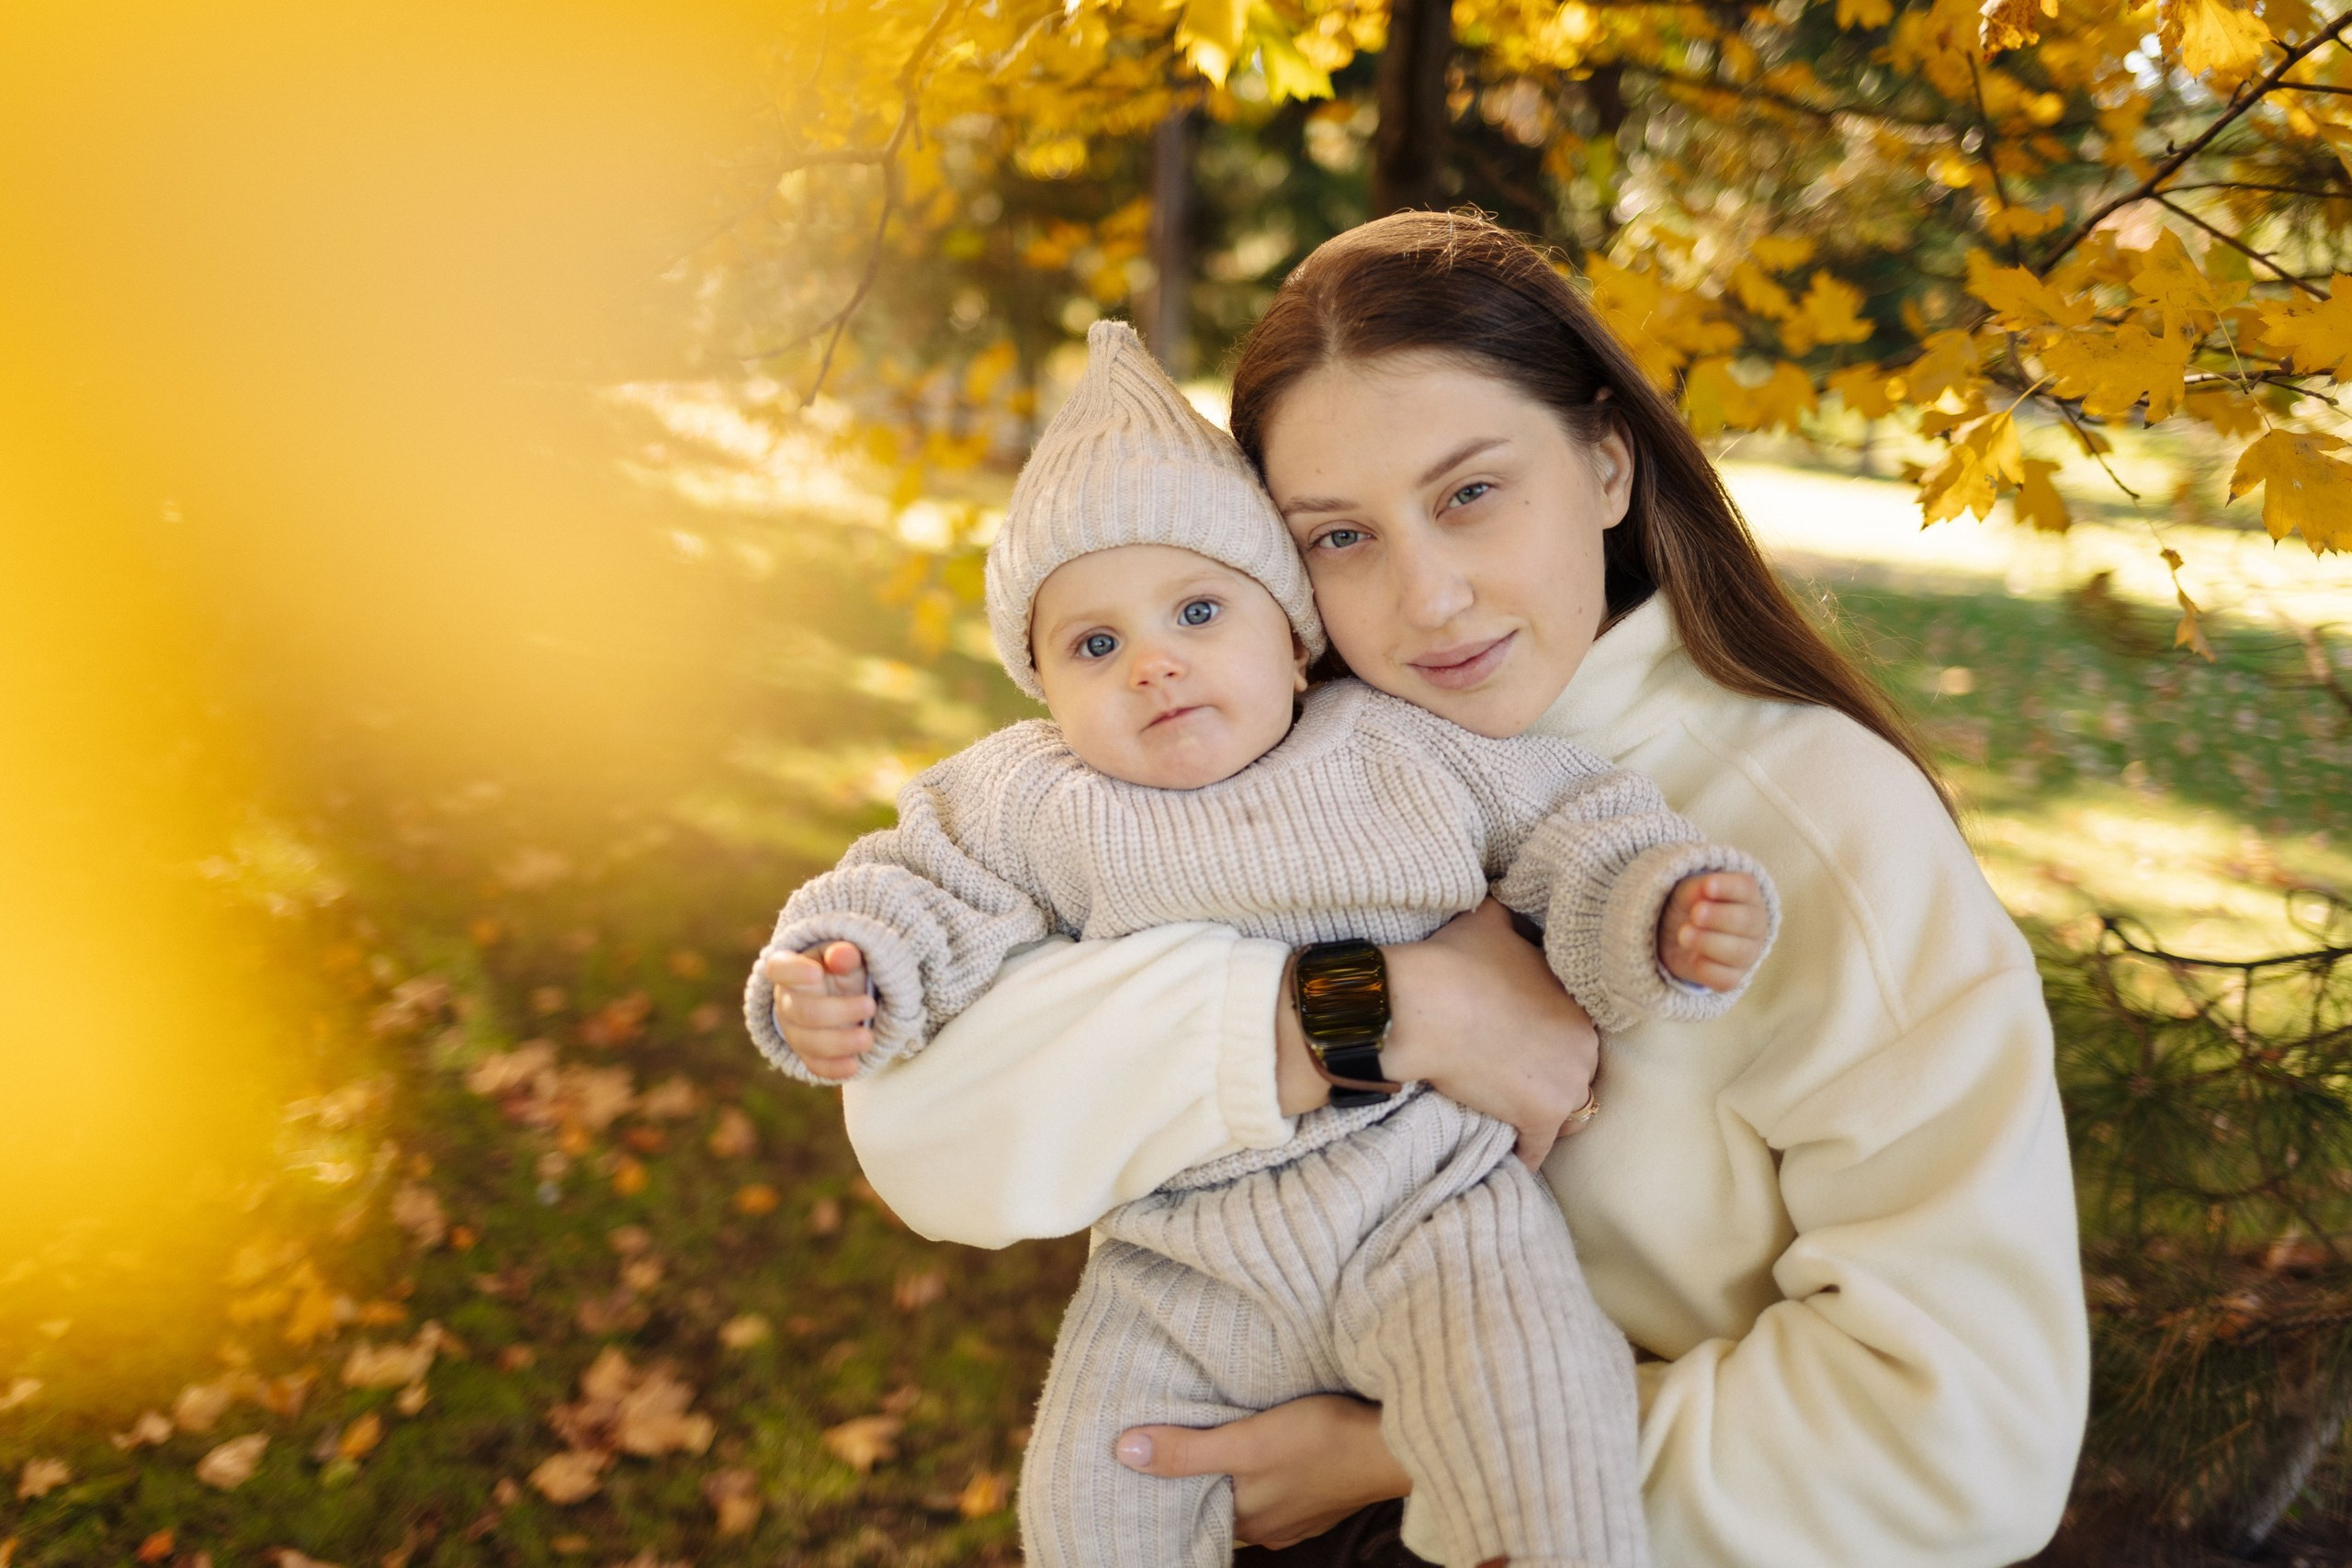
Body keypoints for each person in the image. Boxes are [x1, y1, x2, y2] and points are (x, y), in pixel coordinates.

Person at [769, 213, 2090, 1567]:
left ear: (1607, 461)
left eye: (1469, 493)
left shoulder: (1815, 827)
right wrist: (1383, 1008)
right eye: (1339, 538)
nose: (1430, 599)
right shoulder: (1256, 749)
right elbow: (921, 1126)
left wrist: (1409, 1450)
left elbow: (1971, 1441)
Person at [749, 319, 1777, 1568]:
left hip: (1429, 1210)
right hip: (1179, 1263)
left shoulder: (1404, 746)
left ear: (1291, 638)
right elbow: (915, 887)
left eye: (1196, 610)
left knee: (1535, 1402)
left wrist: (1660, 911)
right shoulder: (1032, 797)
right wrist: (846, 971)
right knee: (1095, 1498)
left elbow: (1576, 831)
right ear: (1041, 685)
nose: (1153, 667)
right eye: (1095, 644)